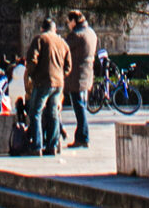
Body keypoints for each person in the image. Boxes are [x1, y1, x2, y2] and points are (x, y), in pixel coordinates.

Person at [24, 16, 72, 156]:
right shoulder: (62, 42)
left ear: (42, 28)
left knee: (35, 112)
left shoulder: (40, 39)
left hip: (43, 81)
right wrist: (61, 75)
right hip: (59, 83)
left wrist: (33, 75)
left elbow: (32, 60)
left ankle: (37, 146)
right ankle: (52, 145)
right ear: (55, 29)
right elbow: (68, 66)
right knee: (53, 113)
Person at [64, 9, 98, 150]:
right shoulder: (91, 33)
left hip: (76, 76)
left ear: (73, 21)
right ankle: (81, 136)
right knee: (81, 105)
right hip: (87, 75)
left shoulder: (76, 35)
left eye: (68, 22)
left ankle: (83, 137)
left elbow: (63, 46)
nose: (68, 25)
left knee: (79, 107)